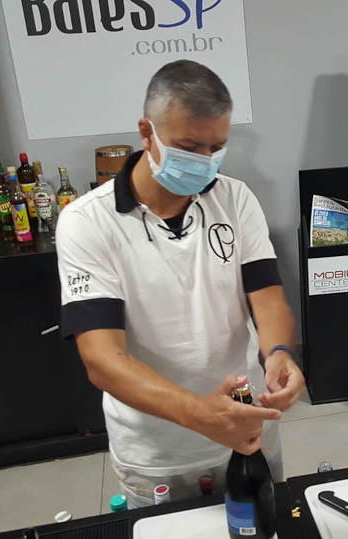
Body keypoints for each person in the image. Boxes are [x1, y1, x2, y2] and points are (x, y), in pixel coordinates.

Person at [56, 60, 304, 507]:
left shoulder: (235, 198)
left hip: (248, 430)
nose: (204, 163)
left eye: (217, 148)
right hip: (158, 453)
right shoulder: (86, 222)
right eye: (189, 148)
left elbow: (267, 299)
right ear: (147, 133)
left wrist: (280, 354)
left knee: (265, 526)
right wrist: (198, 413)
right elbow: (102, 359)